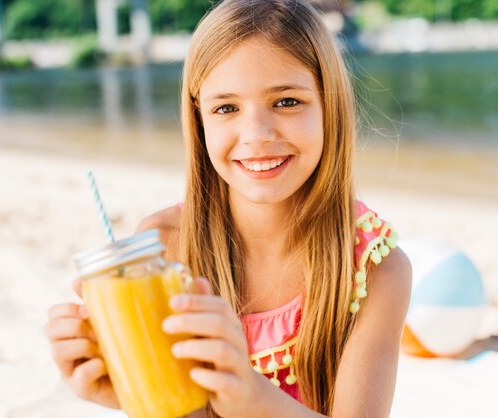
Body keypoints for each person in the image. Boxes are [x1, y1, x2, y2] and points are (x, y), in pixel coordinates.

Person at [45, 0, 412, 416]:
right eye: (226, 108)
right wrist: (137, 396)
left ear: (331, 106)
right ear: (198, 120)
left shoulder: (374, 269)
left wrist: (251, 397)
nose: (256, 134)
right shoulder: (161, 250)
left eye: (287, 101)